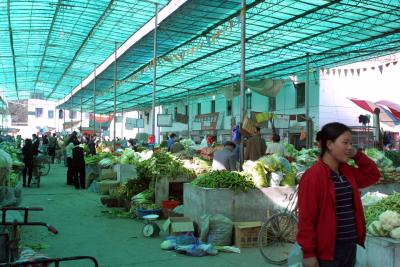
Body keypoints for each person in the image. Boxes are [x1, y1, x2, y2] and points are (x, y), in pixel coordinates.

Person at [297, 122, 380, 267]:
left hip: (350, 245)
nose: (350, 147)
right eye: (345, 143)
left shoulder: (347, 171)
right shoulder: (314, 176)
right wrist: (308, 253)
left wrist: (356, 154)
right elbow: (306, 218)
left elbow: (373, 175)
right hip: (328, 250)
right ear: (329, 144)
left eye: (351, 143)